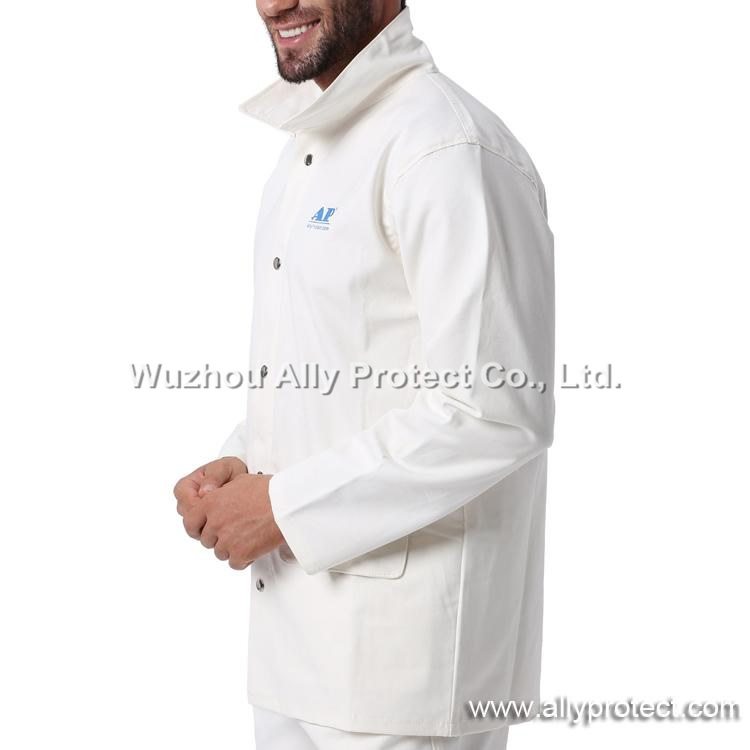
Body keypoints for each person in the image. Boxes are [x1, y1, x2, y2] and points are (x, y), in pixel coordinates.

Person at [173, 1, 555, 748]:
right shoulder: (306, 149)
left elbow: (495, 411)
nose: (273, 4)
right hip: (292, 658)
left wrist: (281, 506)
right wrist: (243, 463)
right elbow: (336, 372)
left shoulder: (444, 146)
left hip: (403, 676)